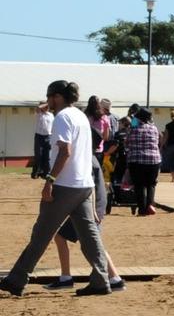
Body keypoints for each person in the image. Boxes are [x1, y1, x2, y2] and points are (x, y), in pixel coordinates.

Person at [0, 80, 112, 297]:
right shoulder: (79, 115)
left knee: (41, 233)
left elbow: (65, 152)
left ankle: (17, 279)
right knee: (89, 236)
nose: (47, 101)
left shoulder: (62, 118)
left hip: (64, 184)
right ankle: (101, 280)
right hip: (84, 184)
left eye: (49, 96)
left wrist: (50, 180)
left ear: (57, 96)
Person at [45, 158, 126, 292]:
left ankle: (114, 279)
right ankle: (67, 278)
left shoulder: (85, 159)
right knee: (67, 238)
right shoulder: (88, 156)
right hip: (91, 206)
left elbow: (90, 187)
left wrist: (93, 210)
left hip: (91, 208)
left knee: (92, 245)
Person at [125, 108, 162, 216]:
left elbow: (127, 143)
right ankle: (150, 205)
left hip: (137, 160)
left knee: (139, 185)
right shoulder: (154, 128)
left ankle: (142, 209)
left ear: (138, 118)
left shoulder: (133, 129)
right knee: (151, 184)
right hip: (154, 160)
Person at [32, 102, 54, 179]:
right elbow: (38, 108)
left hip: (48, 136)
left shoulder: (51, 115)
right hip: (39, 136)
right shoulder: (39, 114)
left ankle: (46, 173)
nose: (47, 107)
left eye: (47, 106)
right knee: (38, 155)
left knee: (47, 156)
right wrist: (47, 103)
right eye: (45, 106)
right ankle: (36, 172)